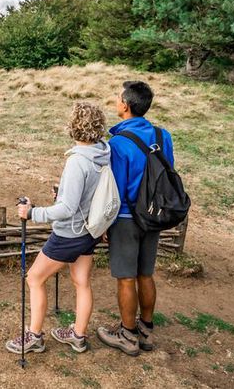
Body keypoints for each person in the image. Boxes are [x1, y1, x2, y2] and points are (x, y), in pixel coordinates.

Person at [6, 102, 111, 355]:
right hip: (90, 231)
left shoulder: (77, 161)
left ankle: (34, 337)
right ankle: (78, 336)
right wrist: (63, 192)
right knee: (82, 281)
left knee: (34, 278)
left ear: (73, 126)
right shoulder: (102, 153)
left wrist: (32, 213)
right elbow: (86, 193)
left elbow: (66, 209)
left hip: (70, 233)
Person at [97, 81, 174, 356]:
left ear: (126, 105)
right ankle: (146, 329)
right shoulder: (163, 136)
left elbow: (114, 189)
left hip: (127, 218)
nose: (116, 100)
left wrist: (106, 223)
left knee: (126, 278)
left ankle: (127, 335)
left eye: (118, 97)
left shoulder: (117, 143)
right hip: (153, 216)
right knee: (146, 273)